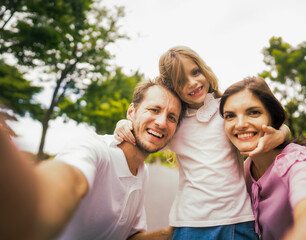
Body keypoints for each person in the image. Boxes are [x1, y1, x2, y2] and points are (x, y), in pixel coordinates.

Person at [114, 46, 289, 240]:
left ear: (204, 69)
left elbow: (278, 125)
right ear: (173, 88)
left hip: (236, 219)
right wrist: (124, 123)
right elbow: (143, 130)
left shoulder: (226, 109)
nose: (192, 83)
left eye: (195, 72)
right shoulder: (173, 122)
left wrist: (280, 135)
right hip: (189, 223)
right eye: (181, 81)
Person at [0, 79, 184, 240]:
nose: (161, 122)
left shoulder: (143, 171)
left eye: (171, 117)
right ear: (131, 112)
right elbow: (69, 180)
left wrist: (177, 234)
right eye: (154, 109)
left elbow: (129, 237)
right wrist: (36, 202)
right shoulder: (93, 149)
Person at [219, 76, 306, 240]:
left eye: (253, 112)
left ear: (273, 117)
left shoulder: (301, 164)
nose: (240, 124)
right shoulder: (244, 171)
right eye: (230, 116)